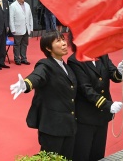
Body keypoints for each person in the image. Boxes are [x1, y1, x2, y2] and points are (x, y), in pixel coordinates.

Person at [9, 31, 76, 159]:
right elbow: (37, 76)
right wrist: (26, 84)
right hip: (52, 128)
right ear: (48, 48)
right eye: (58, 41)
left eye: (63, 39)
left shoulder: (65, 66)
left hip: (68, 125)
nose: (63, 43)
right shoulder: (45, 65)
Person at [67, 39, 123, 161]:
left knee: (98, 153)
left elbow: (113, 75)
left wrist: (120, 72)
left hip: (102, 114)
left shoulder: (102, 54)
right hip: (86, 115)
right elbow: (85, 89)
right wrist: (107, 104)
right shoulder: (74, 60)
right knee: (82, 153)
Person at [9, 0, 33, 66]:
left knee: (24, 44)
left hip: (26, 28)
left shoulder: (27, 5)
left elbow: (30, 17)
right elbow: (11, 18)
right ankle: (17, 59)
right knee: (17, 45)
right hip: (17, 28)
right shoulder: (13, 6)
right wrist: (12, 29)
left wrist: (31, 27)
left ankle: (24, 58)